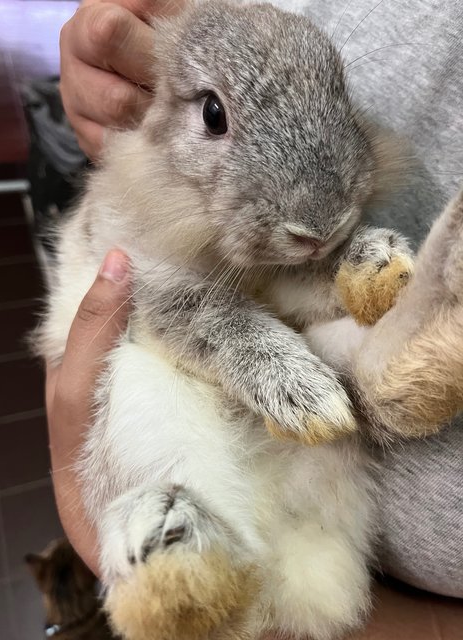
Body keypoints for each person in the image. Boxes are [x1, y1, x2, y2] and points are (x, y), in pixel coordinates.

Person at [50, 0, 463, 595]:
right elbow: (137, 290)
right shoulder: (149, 182)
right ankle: (187, 562)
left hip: (341, 525)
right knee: (151, 387)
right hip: (197, 446)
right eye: (217, 118)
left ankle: (410, 363)